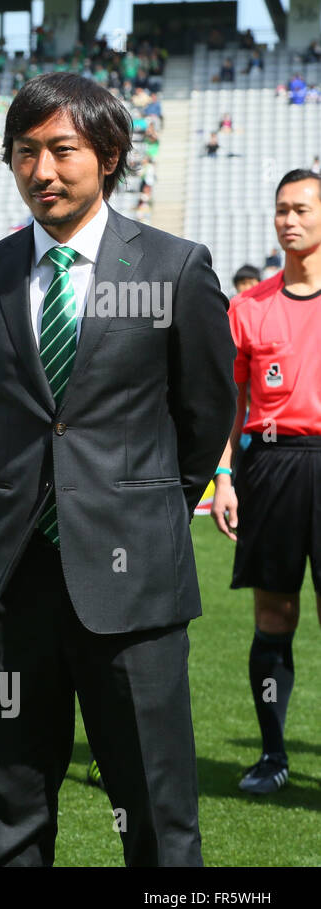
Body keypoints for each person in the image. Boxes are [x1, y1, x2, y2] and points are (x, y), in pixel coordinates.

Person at [0, 72, 236, 866]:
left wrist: (134, 508)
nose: (42, 171)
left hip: (134, 582)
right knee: (9, 817)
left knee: (157, 815)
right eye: (24, 153)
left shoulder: (173, 268)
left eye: (62, 150)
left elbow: (206, 414)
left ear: (107, 155)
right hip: (12, 584)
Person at [212, 169, 321, 795]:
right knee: (274, 613)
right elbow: (233, 399)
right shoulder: (249, 306)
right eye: (281, 209)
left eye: (302, 208)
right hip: (271, 467)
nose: (289, 219)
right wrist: (224, 477)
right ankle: (273, 756)